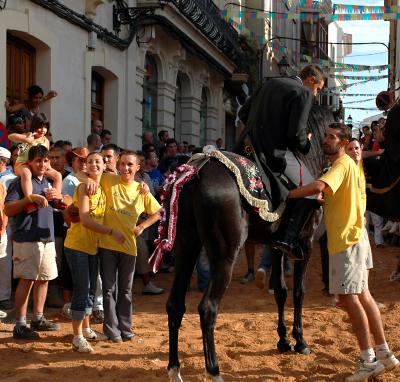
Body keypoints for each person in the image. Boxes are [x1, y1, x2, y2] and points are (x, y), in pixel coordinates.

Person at [288, 122, 399, 381]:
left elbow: (318, 186)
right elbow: (334, 194)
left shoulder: (340, 165)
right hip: (356, 238)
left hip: (346, 242)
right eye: (325, 136)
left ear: (342, 141)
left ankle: (368, 360)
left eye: (331, 137)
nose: (326, 140)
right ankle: (384, 354)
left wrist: (289, 194)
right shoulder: (351, 166)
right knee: (363, 296)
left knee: (351, 299)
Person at [239, 65, 325, 259]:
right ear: (310, 79)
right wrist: (307, 143)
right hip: (274, 153)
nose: (316, 93)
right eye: (318, 88)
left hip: (246, 147)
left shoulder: (268, 83)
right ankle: (286, 238)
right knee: (311, 189)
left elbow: (243, 114)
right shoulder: (303, 92)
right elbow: (295, 134)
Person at [80, 151, 161, 342]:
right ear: (118, 165)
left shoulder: (142, 190)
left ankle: (126, 329)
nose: (126, 168)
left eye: (130, 165)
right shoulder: (108, 180)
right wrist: (87, 179)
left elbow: (159, 212)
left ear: (137, 168)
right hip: (107, 245)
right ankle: (112, 331)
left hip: (129, 247)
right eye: (123, 164)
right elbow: (83, 172)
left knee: (125, 290)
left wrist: (142, 226)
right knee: (109, 290)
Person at [64, 152, 125, 352]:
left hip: (92, 246)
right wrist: (111, 232)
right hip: (77, 244)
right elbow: (86, 219)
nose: (94, 164)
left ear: (105, 163)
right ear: (85, 166)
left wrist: (142, 186)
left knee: (91, 290)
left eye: (97, 161)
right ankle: (77, 336)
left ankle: (87, 328)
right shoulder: (84, 187)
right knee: (82, 289)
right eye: (90, 162)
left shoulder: (103, 186)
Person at [5, 145, 61, 339]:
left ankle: (38, 317)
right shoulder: (18, 181)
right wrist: (30, 199)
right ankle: (20, 324)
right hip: (26, 237)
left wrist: (59, 198)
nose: (43, 164)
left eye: (46, 161)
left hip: (47, 237)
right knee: (27, 280)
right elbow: (8, 209)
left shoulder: (48, 181)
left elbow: (57, 207)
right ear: (29, 162)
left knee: (44, 278)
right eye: (38, 160)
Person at [8, 113, 63, 213]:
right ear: (34, 126)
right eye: (40, 127)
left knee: (58, 175)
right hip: (22, 165)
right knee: (26, 173)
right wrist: (25, 139)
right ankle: (29, 200)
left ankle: (56, 200)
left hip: (39, 166)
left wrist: (49, 168)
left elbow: (45, 156)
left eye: (45, 127)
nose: (43, 130)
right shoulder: (29, 135)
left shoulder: (46, 140)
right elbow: (11, 136)